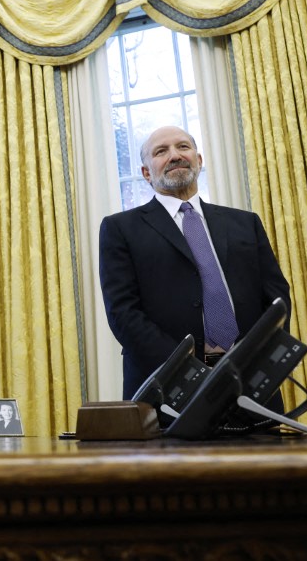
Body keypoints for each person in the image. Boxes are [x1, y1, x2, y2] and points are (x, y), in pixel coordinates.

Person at [98, 126, 291, 400]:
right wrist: (190, 371)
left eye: (183, 147)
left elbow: (277, 297)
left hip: (251, 382)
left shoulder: (246, 223)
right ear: (146, 173)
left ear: (198, 160)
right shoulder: (120, 229)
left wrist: (262, 360)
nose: (175, 155)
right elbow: (123, 314)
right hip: (168, 388)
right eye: (161, 151)